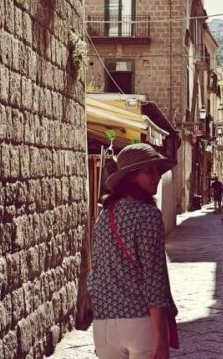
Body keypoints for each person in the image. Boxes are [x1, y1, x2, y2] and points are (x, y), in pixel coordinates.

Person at [89, 143, 178, 359]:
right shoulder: (148, 215)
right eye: (149, 170)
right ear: (130, 177)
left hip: (103, 327)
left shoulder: (104, 217)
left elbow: (96, 275)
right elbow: (154, 280)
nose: (156, 175)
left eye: (157, 170)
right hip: (139, 324)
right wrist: (161, 335)